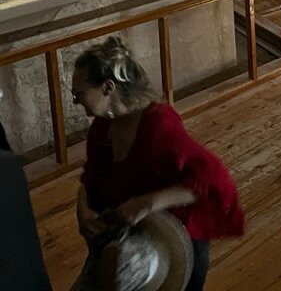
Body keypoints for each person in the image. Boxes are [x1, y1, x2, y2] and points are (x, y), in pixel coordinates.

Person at [71, 37, 244, 291]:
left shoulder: (157, 126)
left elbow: (210, 180)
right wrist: (83, 208)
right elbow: (91, 179)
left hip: (168, 247)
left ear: (108, 88)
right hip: (123, 247)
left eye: (79, 94)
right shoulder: (101, 129)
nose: (77, 102)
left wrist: (146, 204)